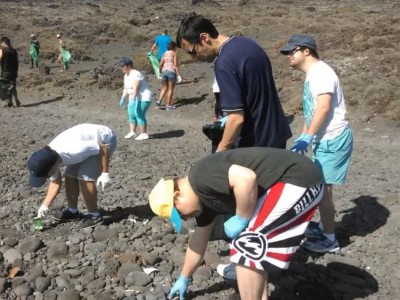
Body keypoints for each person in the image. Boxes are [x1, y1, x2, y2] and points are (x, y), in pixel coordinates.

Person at [148, 147, 325, 300]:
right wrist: (184, 277)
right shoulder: (203, 201)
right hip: (295, 181)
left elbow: (246, 178)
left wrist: (241, 217)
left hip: (299, 179)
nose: (185, 219)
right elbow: (198, 241)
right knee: (251, 244)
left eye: (179, 214)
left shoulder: (201, 175)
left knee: (247, 244)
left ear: (177, 195)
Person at [280, 34, 353, 253]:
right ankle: (325, 225)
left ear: (306, 51)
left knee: (322, 190)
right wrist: (303, 138)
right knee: (321, 187)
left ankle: (329, 239)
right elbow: (311, 113)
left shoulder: (321, 73)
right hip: (324, 139)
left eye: (292, 51)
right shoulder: (313, 74)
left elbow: (323, 107)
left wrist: (308, 137)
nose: (288, 56)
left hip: (333, 139)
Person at [176, 14, 292, 151]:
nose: (194, 58)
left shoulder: (224, 63)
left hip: (255, 145)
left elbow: (236, 119)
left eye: (193, 51)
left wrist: (220, 152)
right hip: (276, 135)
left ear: (204, 38)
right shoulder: (248, 44)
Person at [27, 124, 117, 228]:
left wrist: (105, 173)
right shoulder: (48, 159)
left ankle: (94, 215)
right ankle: (73, 211)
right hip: (87, 142)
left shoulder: (74, 150)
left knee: (85, 177)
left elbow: (103, 148)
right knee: (70, 175)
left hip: (105, 139)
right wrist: (44, 206)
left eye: (46, 175)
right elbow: (56, 182)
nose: (47, 177)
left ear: (54, 165)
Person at [119, 57, 152, 140]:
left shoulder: (136, 73)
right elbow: (126, 88)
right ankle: (132, 132)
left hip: (143, 97)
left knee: (139, 114)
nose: (122, 68)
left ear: (129, 65)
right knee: (131, 114)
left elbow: (135, 87)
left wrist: (133, 99)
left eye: (123, 66)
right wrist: (123, 98)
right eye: (121, 66)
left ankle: (144, 134)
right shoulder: (126, 76)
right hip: (133, 97)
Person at [156, 41, 181, 111]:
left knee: (164, 87)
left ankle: (159, 101)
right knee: (170, 89)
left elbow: (160, 64)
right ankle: (168, 105)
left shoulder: (164, 53)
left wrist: (160, 72)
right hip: (171, 71)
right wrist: (178, 75)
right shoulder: (174, 53)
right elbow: (175, 65)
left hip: (164, 71)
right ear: (174, 47)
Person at [0, 36, 20, 107]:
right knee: (12, 86)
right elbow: (17, 62)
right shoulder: (14, 51)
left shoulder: (2, 50)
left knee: (5, 87)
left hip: (5, 72)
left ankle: (9, 101)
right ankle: (16, 99)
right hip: (14, 72)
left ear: (3, 42)